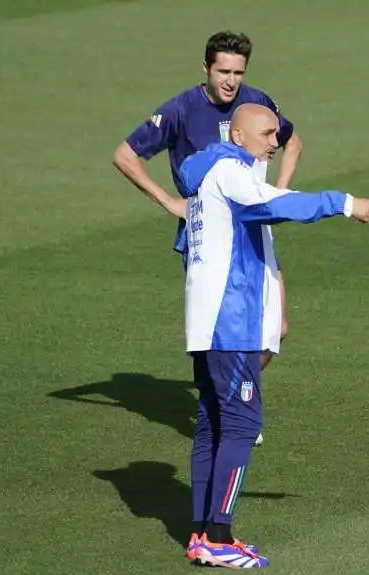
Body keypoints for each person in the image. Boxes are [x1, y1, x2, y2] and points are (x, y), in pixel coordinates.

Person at [180, 104, 369, 568]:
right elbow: (275, 205)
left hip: (207, 323)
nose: (275, 143)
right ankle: (218, 537)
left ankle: (201, 534)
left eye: (277, 134)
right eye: (266, 134)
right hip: (229, 323)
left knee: (212, 425)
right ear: (238, 135)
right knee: (241, 425)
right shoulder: (229, 173)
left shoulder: (205, 180)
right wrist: (343, 202)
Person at [112, 30, 303, 445]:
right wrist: (167, 201)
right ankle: (227, 411)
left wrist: (279, 194)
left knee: (277, 328)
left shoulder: (256, 104)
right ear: (206, 68)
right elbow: (125, 155)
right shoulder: (182, 110)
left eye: (237, 71)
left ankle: (225, 401)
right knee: (217, 333)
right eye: (222, 71)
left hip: (253, 232)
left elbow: (293, 141)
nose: (231, 81)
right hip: (206, 241)